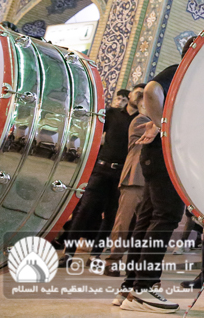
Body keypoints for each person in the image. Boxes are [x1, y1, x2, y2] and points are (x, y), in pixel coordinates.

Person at [115, 40, 195, 313]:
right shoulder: (183, 71)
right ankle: (144, 288)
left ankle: (130, 287)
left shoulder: (186, 76)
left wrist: (159, 123)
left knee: (148, 218)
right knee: (165, 217)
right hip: (164, 154)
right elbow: (151, 89)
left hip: (155, 154)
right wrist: (165, 127)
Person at [62, 88, 139, 265]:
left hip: (123, 173)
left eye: (144, 94)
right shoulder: (112, 114)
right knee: (84, 210)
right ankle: (68, 254)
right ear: (130, 95)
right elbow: (94, 134)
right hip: (102, 169)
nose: (140, 96)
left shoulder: (141, 120)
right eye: (138, 93)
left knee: (111, 216)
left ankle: (95, 256)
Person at [105, 85, 149, 276]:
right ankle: (112, 261)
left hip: (150, 181)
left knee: (144, 225)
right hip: (134, 178)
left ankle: (138, 264)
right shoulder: (140, 121)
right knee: (123, 223)